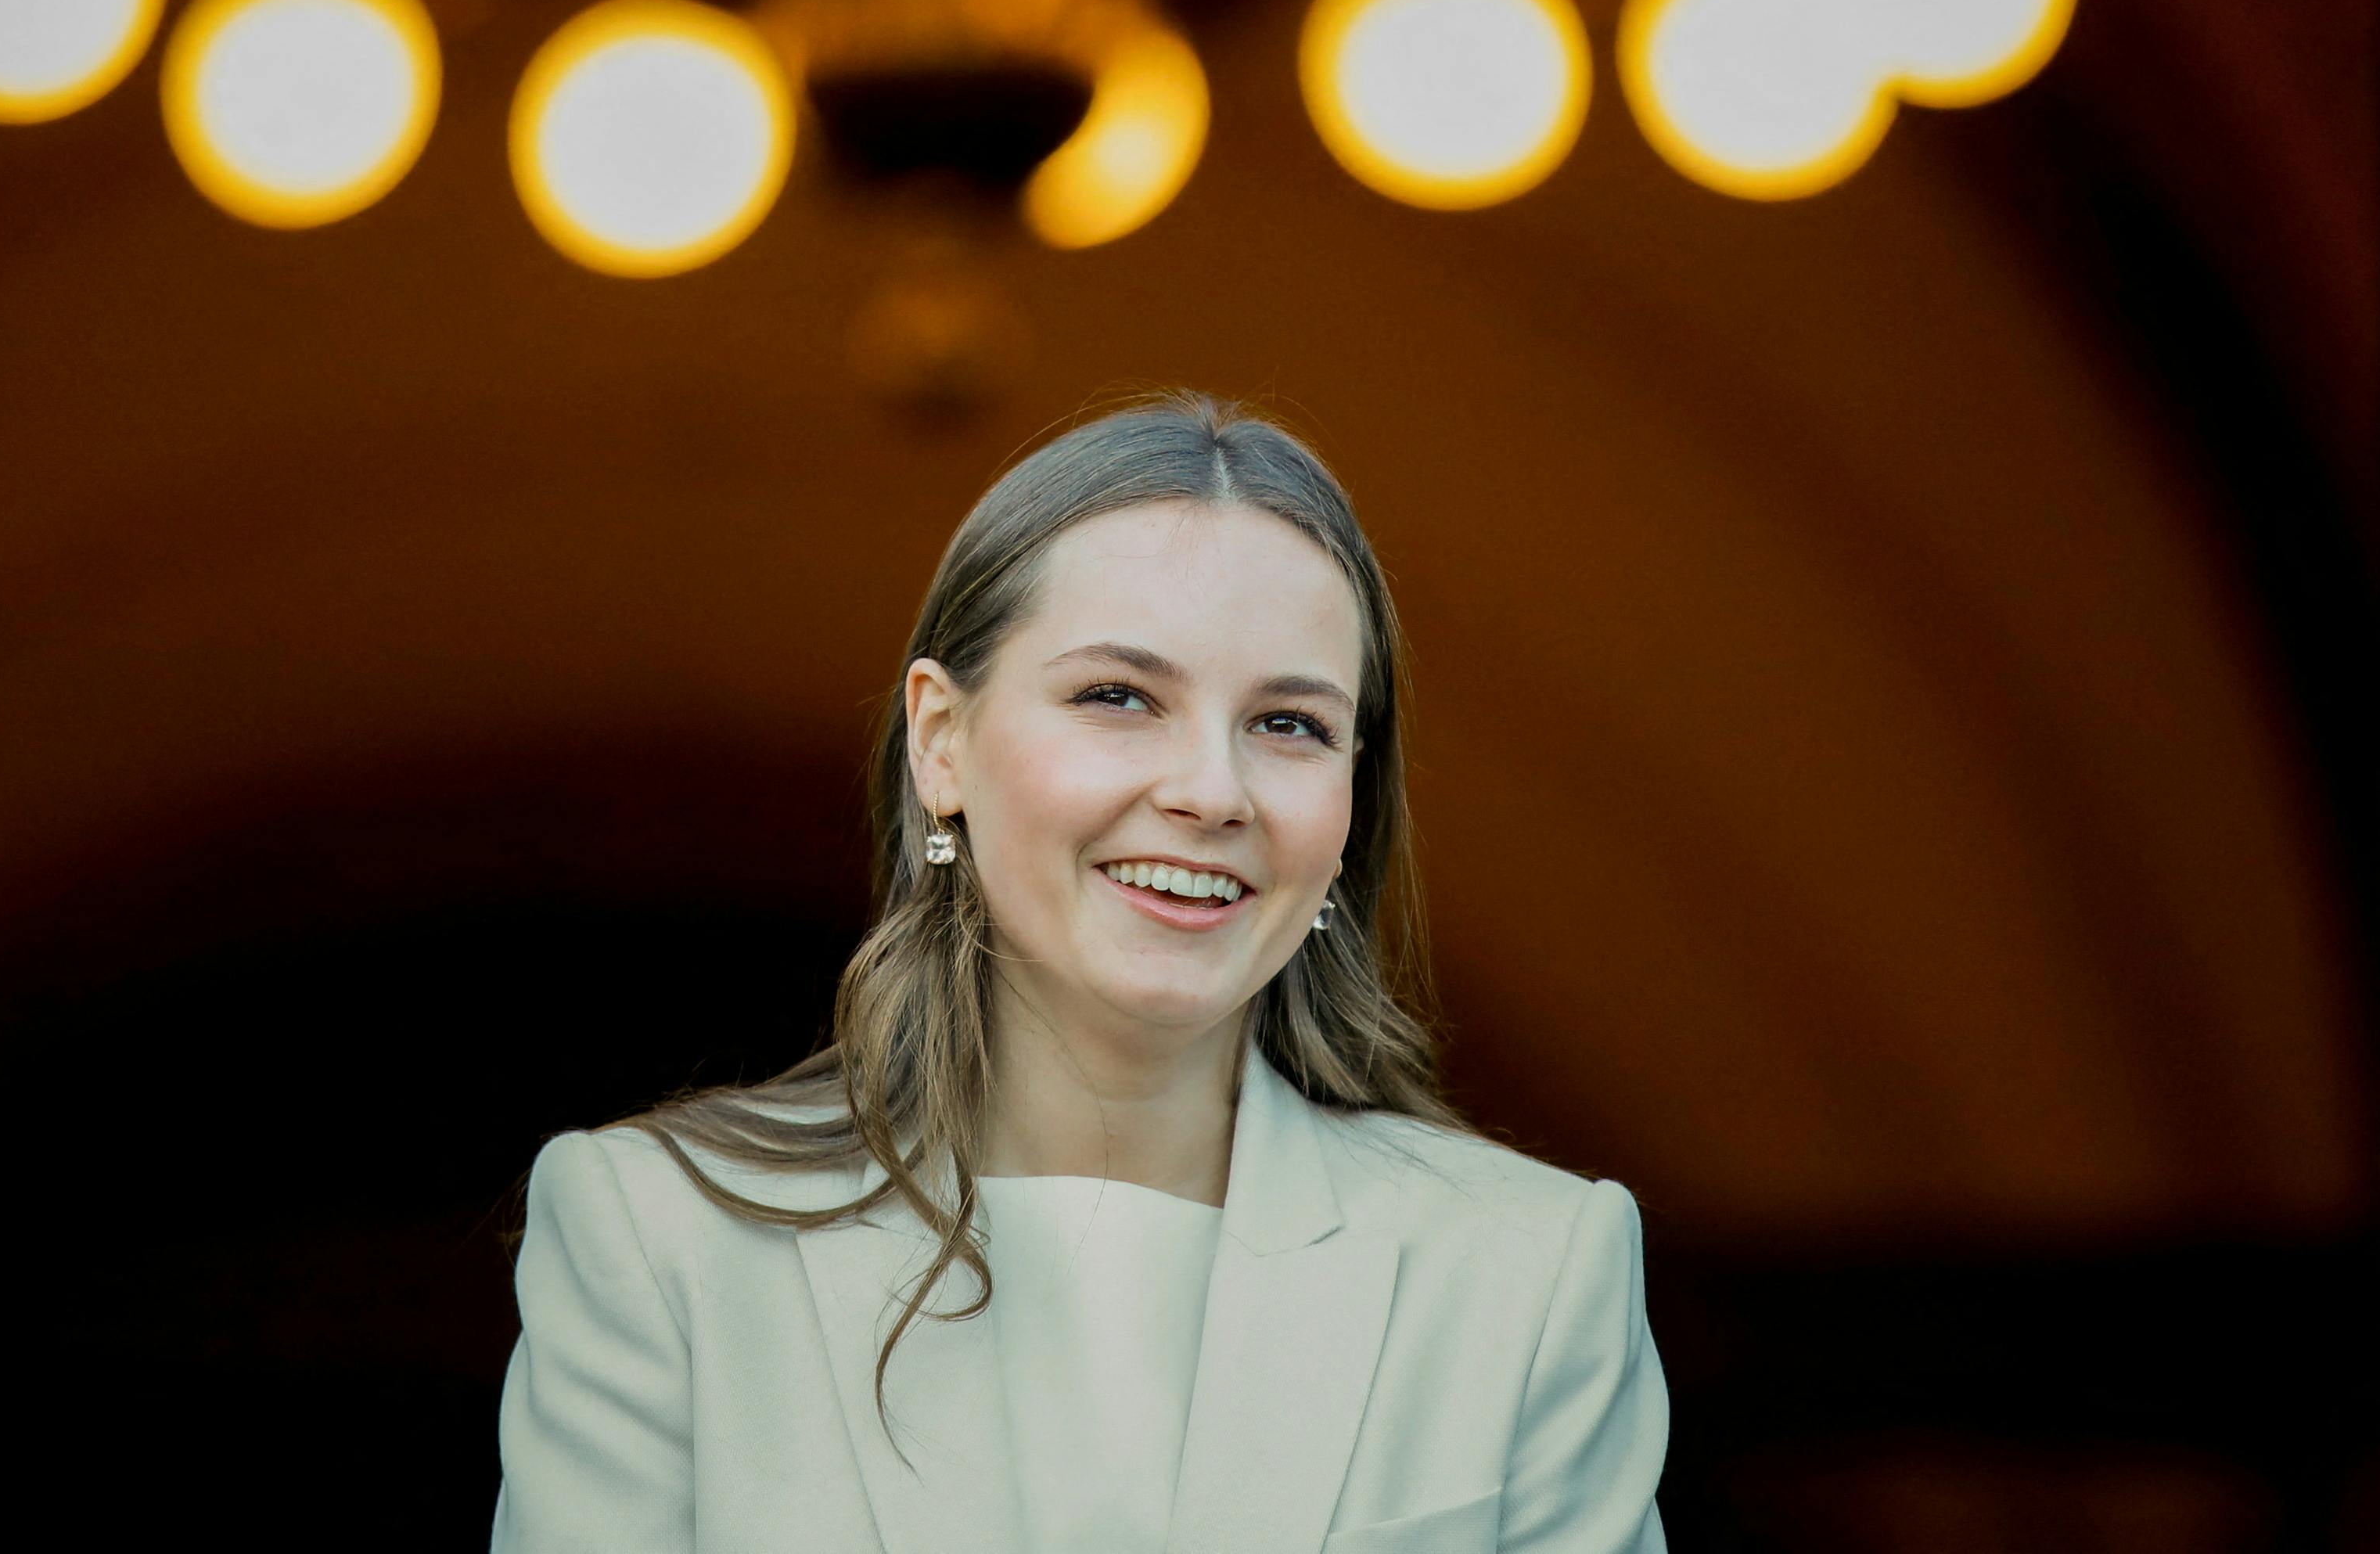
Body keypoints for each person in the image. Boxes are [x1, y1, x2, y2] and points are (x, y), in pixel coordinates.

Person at [489, 392, 1670, 1553]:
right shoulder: (658, 1239)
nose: (1211, 791)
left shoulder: (1530, 1273)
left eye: (1290, 725)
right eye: (1119, 696)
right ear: (940, 741)